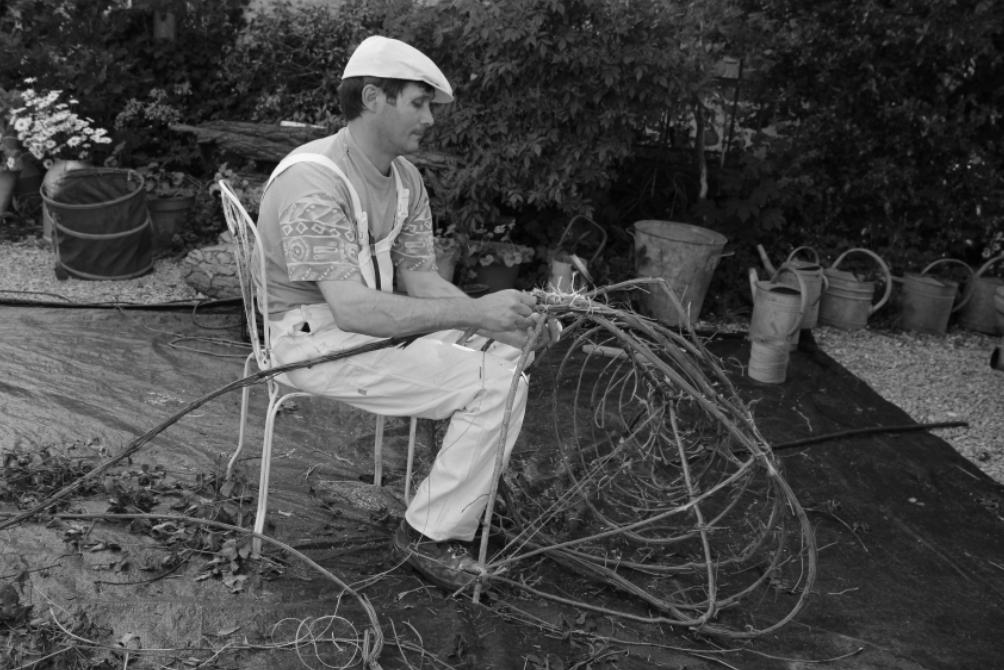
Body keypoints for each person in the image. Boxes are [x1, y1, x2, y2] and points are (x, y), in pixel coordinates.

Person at [255, 35, 548, 590]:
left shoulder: (406, 179)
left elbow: (420, 280)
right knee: (495, 385)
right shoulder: (313, 180)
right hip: (310, 342)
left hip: (365, 329)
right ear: (373, 98)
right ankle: (430, 536)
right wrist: (475, 315)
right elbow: (352, 310)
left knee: (509, 353)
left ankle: (456, 488)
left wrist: (502, 322)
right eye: (419, 103)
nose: (430, 119)